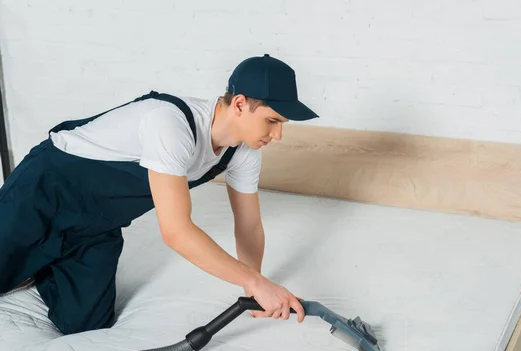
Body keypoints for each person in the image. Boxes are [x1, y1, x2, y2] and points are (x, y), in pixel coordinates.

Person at [0, 54, 318, 335]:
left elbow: (248, 226)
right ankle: (29, 255)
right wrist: (255, 283)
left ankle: (40, 262)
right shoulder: (170, 122)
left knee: (84, 323)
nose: (278, 135)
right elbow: (176, 232)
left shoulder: (242, 152)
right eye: (272, 121)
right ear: (239, 104)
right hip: (43, 194)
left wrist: (256, 287)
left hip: (95, 226)